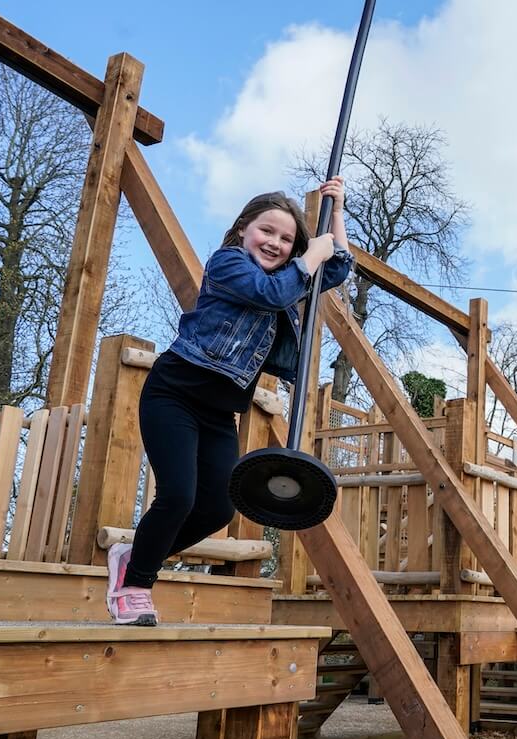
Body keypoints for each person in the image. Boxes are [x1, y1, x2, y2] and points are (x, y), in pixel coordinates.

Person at [105, 179, 353, 625]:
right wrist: (309, 256)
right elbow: (271, 294)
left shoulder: (288, 278)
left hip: (219, 412)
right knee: (178, 495)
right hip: (174, 394)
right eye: (267, 231)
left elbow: (335, 270)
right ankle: (135, 585)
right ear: (243, 229)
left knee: (218, 507)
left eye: (287, 239)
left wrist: (336, 212)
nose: (276, 243)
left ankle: (134, 555)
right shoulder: (229, 264)